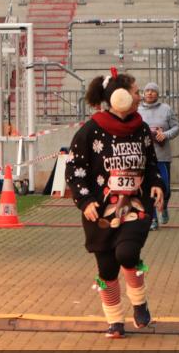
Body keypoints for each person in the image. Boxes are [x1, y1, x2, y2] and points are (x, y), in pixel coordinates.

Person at [66, 68, 165, 339]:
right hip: (100, 211)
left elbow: (151, 162)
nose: (139, 96)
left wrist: (156, 184)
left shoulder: (141, 128)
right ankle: (115, 321)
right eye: (135, 91)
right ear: (119, 96)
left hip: (136, 206)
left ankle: (139, 302)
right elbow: (75, 169)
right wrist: (84, 201)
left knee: (127, 254)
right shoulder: (91, 130)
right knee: (107, 269)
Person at [138, 82, 179, 230]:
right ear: (143, 93)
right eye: (147, 90)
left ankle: (165, 205)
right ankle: (153, 219)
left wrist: (165, 134)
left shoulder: (166, 109)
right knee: (149, 189)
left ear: (157, 94)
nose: (149, 93)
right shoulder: (137, 110)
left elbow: (176, 127)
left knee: (165, 189)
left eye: (153, 91)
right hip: (144, 158)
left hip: (162, 156)